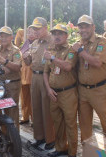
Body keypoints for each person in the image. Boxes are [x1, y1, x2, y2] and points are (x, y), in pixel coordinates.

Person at [43, 24, 78, 157]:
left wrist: (52, 58)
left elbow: (68, 66)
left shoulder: (71, 50)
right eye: (54, 34)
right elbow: (46, 72)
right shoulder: (50, 50)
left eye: (60, 34)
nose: (56, 36)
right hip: (54, 93)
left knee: (70, 123)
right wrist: (48, 89)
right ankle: (60, 148)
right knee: (57, 122)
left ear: (66, 36)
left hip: (68, 93)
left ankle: (72, 152)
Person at [23, 17, 55, 150]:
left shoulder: (53, 41)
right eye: (34, 28)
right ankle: (39, 137)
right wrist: (26, 57)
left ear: (46, 28)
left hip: (47, 77)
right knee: (36, 108)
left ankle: (50, 139)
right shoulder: (35, 42)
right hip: (34, 77)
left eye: (38, 28)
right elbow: (29, 62)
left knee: (47, 109)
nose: (35, 31)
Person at [72, 15, 106, 142]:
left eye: (86, 26)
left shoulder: (101, 41)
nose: (83, 30)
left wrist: (80, 50)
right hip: (83, 91)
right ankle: (88, 153)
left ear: (93, 27)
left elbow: (97, 63)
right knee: (85, 125)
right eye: (81, 27)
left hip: (100, 90)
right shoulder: (78, 43)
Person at [0, 26, 22, 130]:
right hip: (0, 85)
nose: (3, 38)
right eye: (1, 36)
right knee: (2, 110)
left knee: (12, 111)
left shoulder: (16, 51)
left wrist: (5, 62)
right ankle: (5, 137)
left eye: (6, 36)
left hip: (12, 85)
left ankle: (14, 140)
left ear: (11, 37)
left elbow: (18, 67)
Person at [19, 27, 37, 125]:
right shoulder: (25, 44)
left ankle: (34, 119)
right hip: (23, 75)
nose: (30, 34)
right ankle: (25, 116)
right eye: (29, 32)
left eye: (33, 32)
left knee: (33, 99)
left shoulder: (38, 44)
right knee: (24, 98)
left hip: (33, 75)